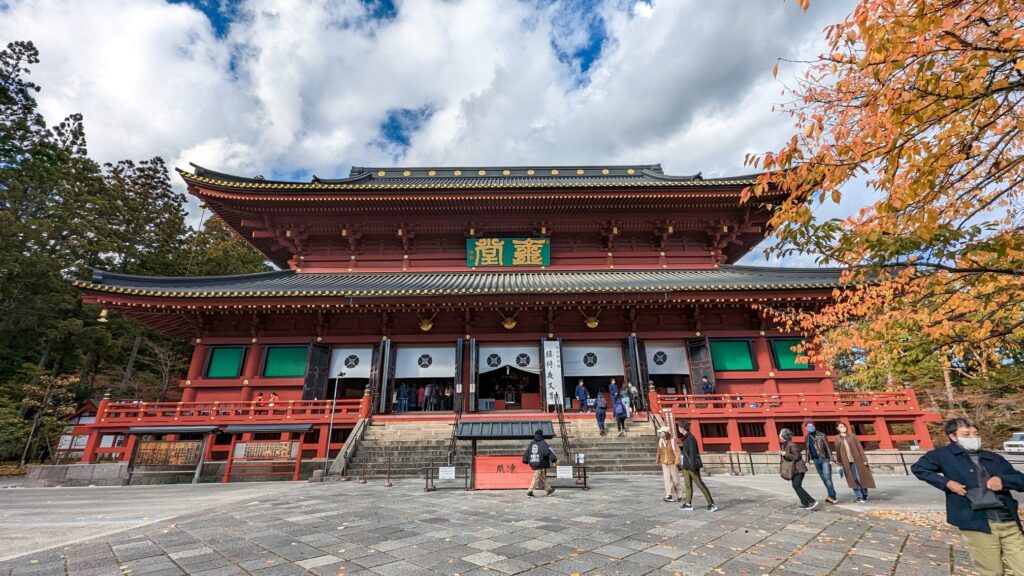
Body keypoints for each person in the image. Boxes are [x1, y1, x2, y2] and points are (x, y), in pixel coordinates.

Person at [912, 418, 1024, 576]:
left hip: (1008, 519)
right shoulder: (943, 455)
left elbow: (1020, 480)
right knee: (992, 570)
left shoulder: (992, 457)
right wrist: (947, 483)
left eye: (975, 433)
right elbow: (919, 468)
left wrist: (1002, 480)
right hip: (977, 521)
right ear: (953, 436)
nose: (973, 437)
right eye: (967, 434)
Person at [677, 421, 717, 511]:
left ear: (682, 428)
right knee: (688, 485)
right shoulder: (686, 438)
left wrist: (693, 466)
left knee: (700, 484)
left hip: (691, 466)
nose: (678, 429)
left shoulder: (691, 438)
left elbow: (693, 453)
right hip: (686, 466)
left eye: (679, 427)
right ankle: (688, 503)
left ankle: (711, 503)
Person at [834, 422, 875, 502]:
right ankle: (859, 496)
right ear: (838, 429)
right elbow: (838, 451)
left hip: (857, 460)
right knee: (853, 479)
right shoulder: (837, 438)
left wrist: (864, 459)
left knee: (860, 478)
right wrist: (839, 462)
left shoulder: (852, 436)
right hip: (846, 462)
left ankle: (865, 495)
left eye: (844, 426)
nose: (843, 428)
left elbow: (860, 448)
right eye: (841, 427)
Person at [780, 428, 818, 510]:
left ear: (783, 435)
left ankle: (811, 501)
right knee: (795, 486)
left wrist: (785, 453)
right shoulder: (785, 444)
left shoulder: (791, 444)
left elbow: (796, 456)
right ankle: (805, 503)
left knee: (797, 486)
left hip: (798, 468)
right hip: (793, 468)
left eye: (780, 433)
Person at [804, 419, 838, 504]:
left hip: (824, 459)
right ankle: (831, 495)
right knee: (823, 479)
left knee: (827, 478)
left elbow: (827, 447)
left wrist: (831, 459)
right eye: (808, 426)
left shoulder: (821, 435)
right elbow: (808, 449)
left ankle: (833, 496)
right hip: (816, 460)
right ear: (806, 428)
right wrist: (807, 460)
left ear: (814, 426)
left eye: (812, 426)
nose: (810, 427)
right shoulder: (807, 437)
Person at [522, 429, 557, 497]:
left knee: (541, 476)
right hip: (540, 462)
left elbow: (527, 452)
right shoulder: (542, 442)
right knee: (536, 477)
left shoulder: (532, 443)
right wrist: (553, 459)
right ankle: (530, 491)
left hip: (533, 462)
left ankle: (549, 489)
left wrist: (525, 459)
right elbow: (548, 451)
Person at [655, 427, 683, 502]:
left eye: (662, 432)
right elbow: (659, 451)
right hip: (664, 462)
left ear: (666, 433)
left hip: (672, 462)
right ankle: (669, 495)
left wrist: (677, 461)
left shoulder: (672, 441)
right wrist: (657, 459)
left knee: (675, 479)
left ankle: (679, 495)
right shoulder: (661, 441)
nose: (660, 434)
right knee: (667, 479)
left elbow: (677, 452)